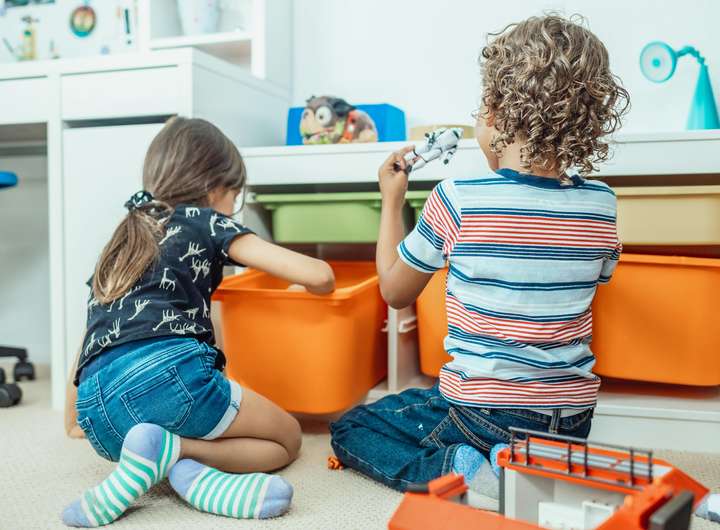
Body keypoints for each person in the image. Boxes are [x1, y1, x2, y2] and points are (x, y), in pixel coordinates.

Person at [330, 15, 628, 509]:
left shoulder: (458, 199)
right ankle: (521, 467)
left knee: (352, 426)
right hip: (572, 421)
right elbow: (599, 275)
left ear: (495, 110)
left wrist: (391, 199)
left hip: (483, 411)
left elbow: (395, 292)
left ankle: (461, 468)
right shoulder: (601, 204)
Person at [62, 117, 335, 526]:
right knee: (287, 439)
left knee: (173, 422)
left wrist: (74, 420)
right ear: (214, 188)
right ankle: (180, 452)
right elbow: (321, 275)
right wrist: (310, 286)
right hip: (171, 377)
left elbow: (90, 335)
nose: (232, 206)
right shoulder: (203, 219)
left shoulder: (123, 239)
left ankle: (170, 464)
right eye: (235, 196)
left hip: (99, 416)